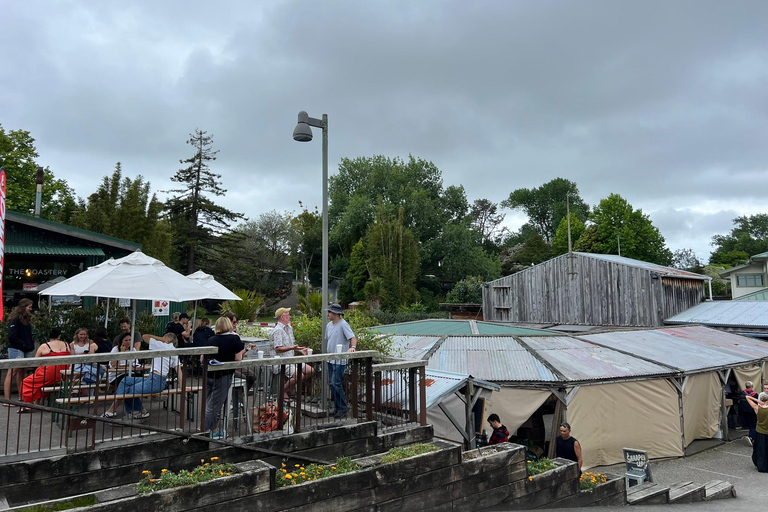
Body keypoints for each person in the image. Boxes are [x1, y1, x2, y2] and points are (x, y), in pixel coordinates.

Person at [102, 332, 181, 420]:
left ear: (167, 339)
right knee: (126, 380)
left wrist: (162, 340)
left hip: (155, 380)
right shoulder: (174, 351)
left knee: (128, 390)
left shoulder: (161, 345)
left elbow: (145, 336)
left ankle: (134, 411)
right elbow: (179, 371)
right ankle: (136, 411)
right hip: (153, 378)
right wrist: (182, 386)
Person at [205, 317, 245, 439]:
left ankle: (211, 428)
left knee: (209, 402)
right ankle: (211, 430)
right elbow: (238, 358)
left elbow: (204, 356)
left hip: (209, 374)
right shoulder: (234, 338)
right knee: (214, 405)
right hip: (224, 375)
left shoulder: (211, 339)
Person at [18, 328, 72, 412]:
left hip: (48, 374)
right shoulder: (66, 344)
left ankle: (28, 404)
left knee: (26, 382)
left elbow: (35, 362)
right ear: (59, 336)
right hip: (63, 375)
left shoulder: (44, 346)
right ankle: (36, 403)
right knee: (41, 382)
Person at [270, 308, 314, 401]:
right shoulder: (278, 330)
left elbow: (291, 346)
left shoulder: (289, 328)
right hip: (281, 361)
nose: (290, 316)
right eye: (288, 314)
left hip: (291, 359)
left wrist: (301, 349)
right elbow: (278, 349)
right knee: (299, 376)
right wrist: (292, 348)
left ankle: (290, 385)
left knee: (310, 370)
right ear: (282, 317)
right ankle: (283, 391)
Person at [324, 303, 357, 418]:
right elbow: (329, 339)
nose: (328, 314)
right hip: (330, 359)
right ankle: (338, 408)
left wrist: (352, 348)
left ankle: (342, 408)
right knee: (332, 384)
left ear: (335, 313)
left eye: (329, 312)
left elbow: (352, 338)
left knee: (336, 383)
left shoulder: (343, 324)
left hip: (340, 360)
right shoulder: (329, 325)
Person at [4, 299, 36, 406]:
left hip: (25, 348)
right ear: (24, 307)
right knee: (12, 371)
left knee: (22, 372)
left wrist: (29, 345)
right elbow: (12, 336)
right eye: (29, 307)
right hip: (16, 348)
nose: (30, 309)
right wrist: (23, 344)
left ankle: (21, 396)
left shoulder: (26, 319)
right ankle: (7, 399)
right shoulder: (15, 319)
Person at [745, 392, 768, 472]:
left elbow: (747, 397)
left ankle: (761, 465)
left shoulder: (757, 408)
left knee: (760, 449)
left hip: (760, 432)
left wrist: (759, 402)